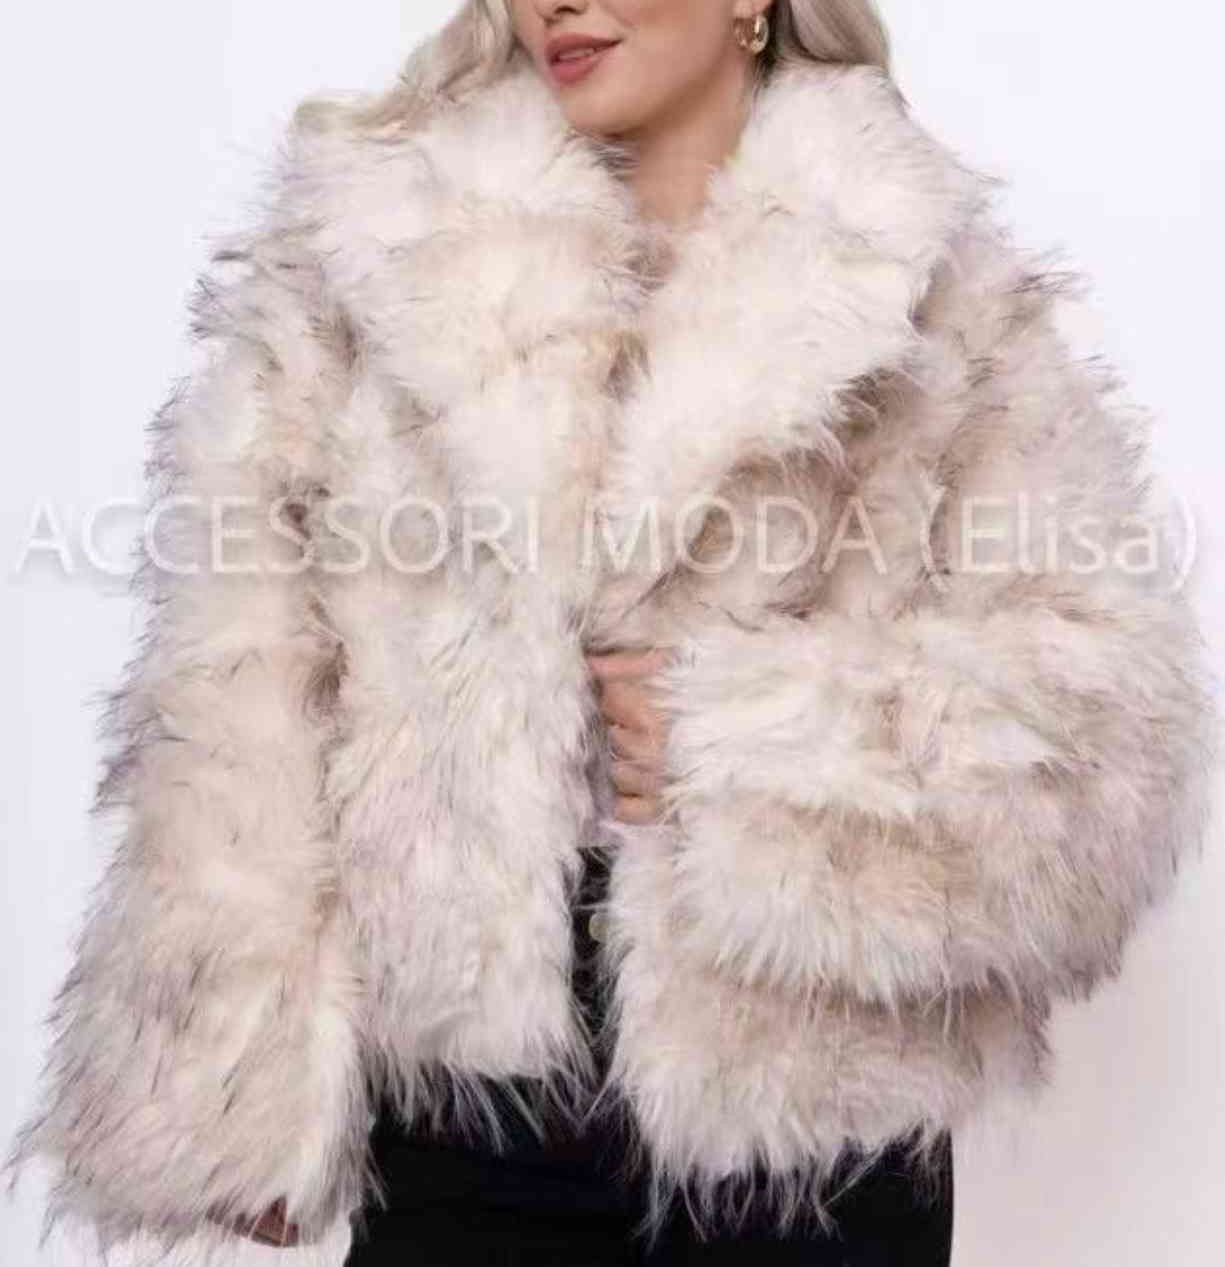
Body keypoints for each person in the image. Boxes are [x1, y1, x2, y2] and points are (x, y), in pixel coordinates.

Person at [5, 0, 1217, 1264]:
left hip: (808, 1121)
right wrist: (227, 1074)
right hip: (458, 1111)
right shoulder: (370, 245)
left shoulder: (925, 281)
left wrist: (747, 748)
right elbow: (237, 677)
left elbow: (1109, 730)